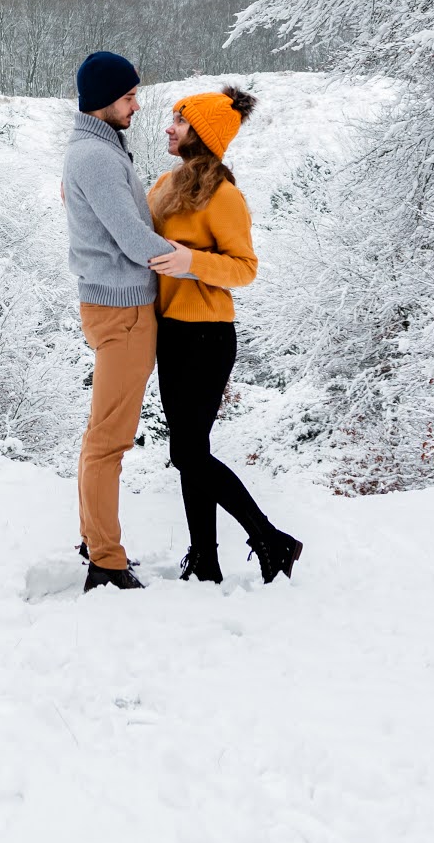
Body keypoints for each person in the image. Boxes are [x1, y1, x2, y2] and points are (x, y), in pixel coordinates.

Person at [148, 86, 304, 585]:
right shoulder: (163, 186)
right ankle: (206, 560)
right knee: (190, 450)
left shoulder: (224, 195)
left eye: (179, 121)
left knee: (186, 453)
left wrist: (190, 262)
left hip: (208, 336)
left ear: (203, 134)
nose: (169, 127)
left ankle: (271, 540)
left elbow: (245, 269)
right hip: (170, 333)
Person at [62, 50, 180, 594]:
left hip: (114, 305)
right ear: (104, 101)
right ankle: (106, 562)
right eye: (129, 97)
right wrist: (194, 265)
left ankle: (95, 537)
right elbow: (132, 240)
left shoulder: (97, 150)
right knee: (110, 440)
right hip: (124, 311)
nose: (137, 105)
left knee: (103, 434)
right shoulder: (97, 157)